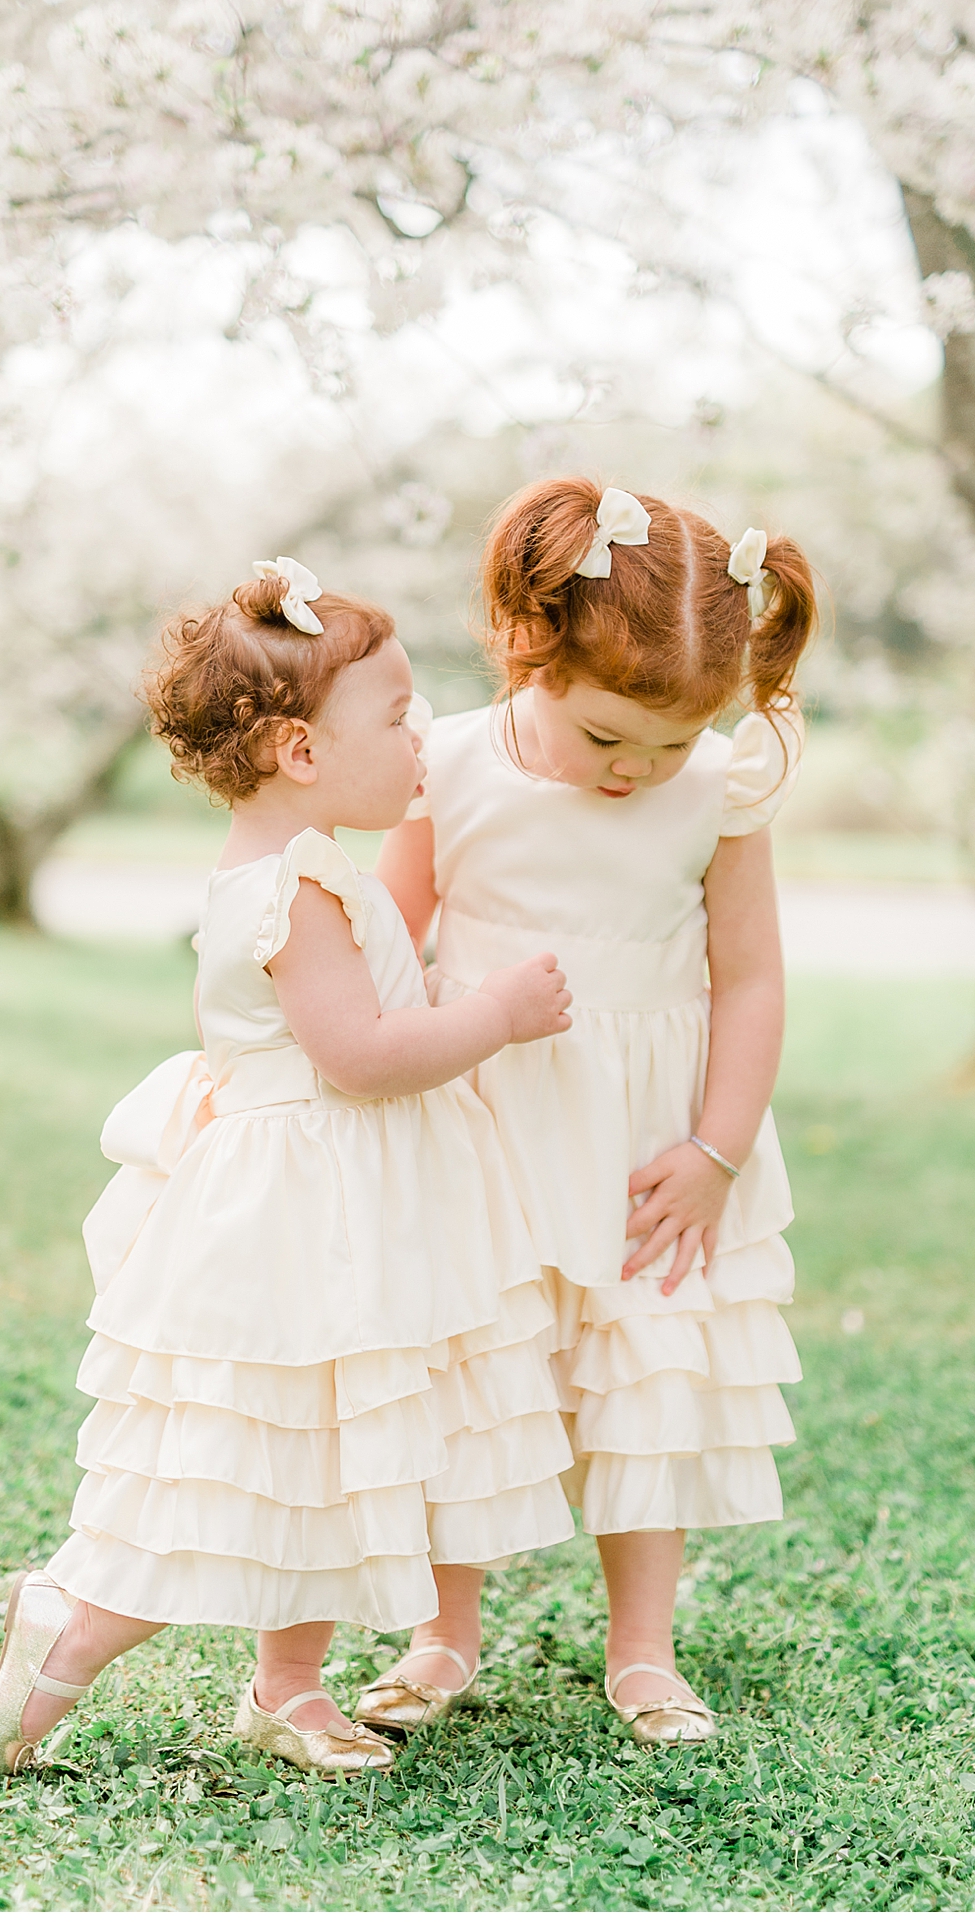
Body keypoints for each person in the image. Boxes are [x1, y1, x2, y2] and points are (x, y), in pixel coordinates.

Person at [0, 558, 575, 1780]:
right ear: (302, 751)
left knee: (319, 1460)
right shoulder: (298, 886)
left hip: (336, 1205)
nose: (422, 738)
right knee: (234, 1472)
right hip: (306, 1214)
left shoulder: (293, 867)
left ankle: (286, 1684)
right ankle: (71, 1620)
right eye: (399, 716)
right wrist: (498, 1016)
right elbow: (358, 1058)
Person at [369, 481, 817, 1746]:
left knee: (645, 1368)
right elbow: (397, 943)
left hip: (651, 1131)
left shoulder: (722, 788)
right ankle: (441, 1630)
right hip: (486, 1110)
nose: (641, 772)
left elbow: (754, 975)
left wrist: (717, 1150)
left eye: (669, 746)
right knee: (476, 1369)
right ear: (534, 650)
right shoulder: (446, 763)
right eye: (612, 738)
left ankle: (644, 1647)